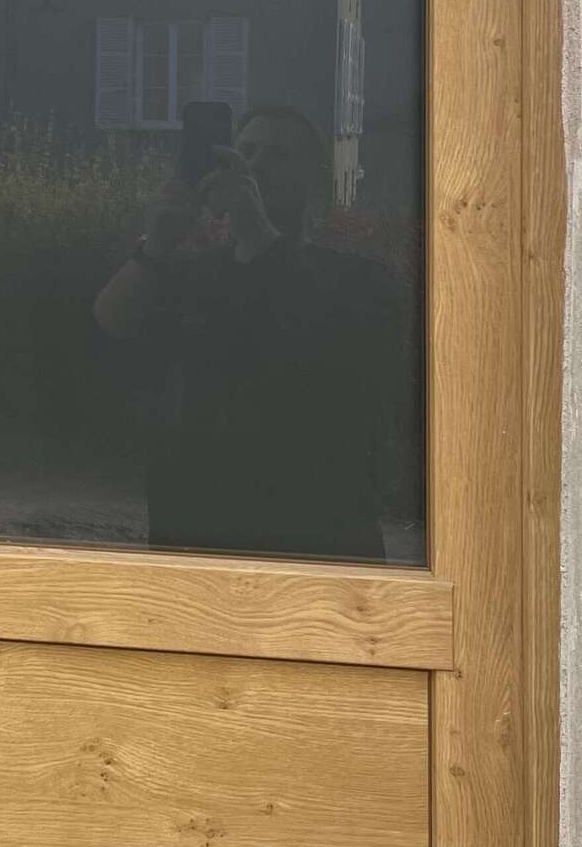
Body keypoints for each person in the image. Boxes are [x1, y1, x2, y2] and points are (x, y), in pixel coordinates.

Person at [91, 102, 419, 562]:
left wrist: (258, 232)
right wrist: (157, 245)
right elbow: (107, 329)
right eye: (245, 151)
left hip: (315, 544)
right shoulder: (194, 273)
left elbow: (336, 355)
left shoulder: (360, 281)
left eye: (277, 155)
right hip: (194, 541)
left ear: (315, 181)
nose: (255, 166)